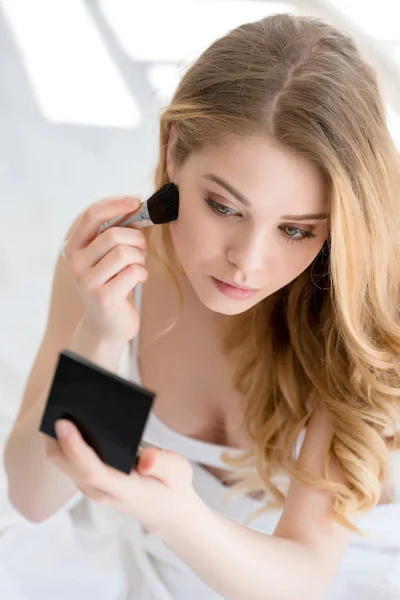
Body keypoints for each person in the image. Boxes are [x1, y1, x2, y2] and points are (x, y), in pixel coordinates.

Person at [4, 12, 400, 600]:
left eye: (296, 231)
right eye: (224, 206)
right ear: (173, 152)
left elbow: (305, 576)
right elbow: (34, 497)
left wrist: (173, 515)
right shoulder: (115, 262)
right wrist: (103, 332)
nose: (247, 261)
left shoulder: (363, 310)